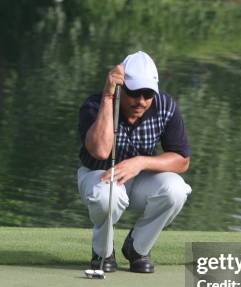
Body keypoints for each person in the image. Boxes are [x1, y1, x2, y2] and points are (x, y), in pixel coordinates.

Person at [77, 51, 192, 273]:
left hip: (139, 179)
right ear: (121, 87)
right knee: (106, 197)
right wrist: (109, 98)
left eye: (147, 94)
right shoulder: (95, 105)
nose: (141, 101)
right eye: (134, 93)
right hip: (97, 177)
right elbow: (100, 151)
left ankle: (137, 248)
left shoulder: (165, 106)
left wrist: (140, 162)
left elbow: (182, 160)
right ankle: (103, 252)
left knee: (176, 189)